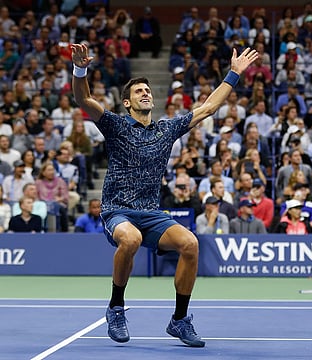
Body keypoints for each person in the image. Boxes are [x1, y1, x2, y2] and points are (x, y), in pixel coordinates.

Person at [71, 42, 257, 346]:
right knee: (130, 239)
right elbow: (85, 98)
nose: (146, 93)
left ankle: (180, 320)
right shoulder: (116, 125)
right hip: (117, 210)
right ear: (127, 103)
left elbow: (209, 107)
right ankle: (116, 307)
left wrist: (234, 74)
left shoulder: (165, 130)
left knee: (190, 244)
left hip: (151, 212)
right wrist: (81, 69)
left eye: (148, 90)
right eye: (138, 91)